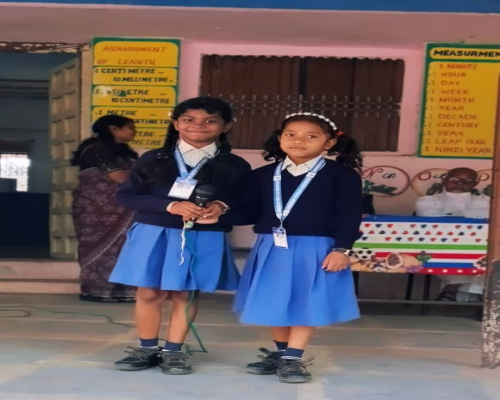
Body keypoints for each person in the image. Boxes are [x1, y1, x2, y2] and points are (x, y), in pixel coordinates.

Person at [109, 97, 251, 374]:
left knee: (185, 295)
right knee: (149, 292)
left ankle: (173, 351)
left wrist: (221, 208)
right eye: (188, 120)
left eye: (210, 120)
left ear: (226, 126)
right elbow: (127, 197)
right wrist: (171, 206)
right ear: (176, 124)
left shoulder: (236, 166)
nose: (198, 125)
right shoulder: (153, 159)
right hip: (154, 233)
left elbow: (249, 207)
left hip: (203, 237)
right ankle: (147, 348)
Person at [229, 112, 363, 384]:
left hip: (316, 248)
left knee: (305, 300)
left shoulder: (341, 175)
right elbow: (248, 212)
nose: (299, 140)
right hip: (271, 246)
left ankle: (293, 357)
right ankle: (282, 353)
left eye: (311, 136)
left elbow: (349, 216)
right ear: (280, 138)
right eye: (291, 134)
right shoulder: (263, 175)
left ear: (328, 143)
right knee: (275, 299)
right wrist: (215, 212)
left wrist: (342, 249)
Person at [71, 115, 138, 303]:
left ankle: (124, 291)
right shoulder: (97, 150)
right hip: (98, 210)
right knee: (101, 247)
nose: (134, 131)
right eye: (129, 127)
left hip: (125, 209)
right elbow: (119, 177)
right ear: (113, 129)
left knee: (127, 246)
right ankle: (97, 290)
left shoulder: (122, 152)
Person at [415, 167, 489, 303]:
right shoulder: (428, 200)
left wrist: (453, 216)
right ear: (444, 180)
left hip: (478, 246)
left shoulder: (486, 201)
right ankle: (483, 301)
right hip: (440, 247)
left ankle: (450, 289)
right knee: (477, 256)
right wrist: (472, 216)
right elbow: (429, 217)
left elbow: (494, 217)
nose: (460, 183)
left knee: (486, 255)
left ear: (476, 183)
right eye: (455, 179)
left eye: (467, 181)